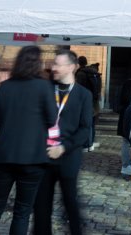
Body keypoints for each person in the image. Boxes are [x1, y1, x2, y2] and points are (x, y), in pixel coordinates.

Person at [0, 45, 58, 235]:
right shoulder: (44, 86)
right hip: (33, 158)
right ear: (38, 63)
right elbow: (52, 119)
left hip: (2, 154)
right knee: (22, 212)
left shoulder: (5, 86)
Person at [33, 49, 92, 235]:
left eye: (58, 64)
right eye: (53, 63)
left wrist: (64, 147)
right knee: (41, 206)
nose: (54, 67)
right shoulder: (45, 89)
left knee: (70, 203)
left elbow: (85, 129)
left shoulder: (84, 95)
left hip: (68, 157)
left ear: (72, 67)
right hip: (43, 155)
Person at [75, 56, 102, 149]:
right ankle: (91, 143)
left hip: (85, 102)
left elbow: (78, 89)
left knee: (86, 123)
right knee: (92, 123)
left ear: (78, 63)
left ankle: (87, 144)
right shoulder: (95, 73)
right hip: (95, 101)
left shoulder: (81, 74)